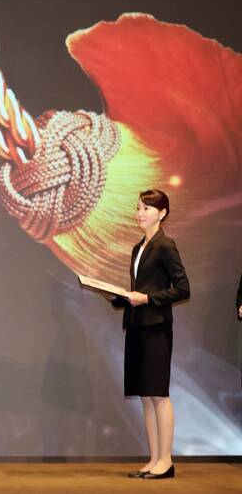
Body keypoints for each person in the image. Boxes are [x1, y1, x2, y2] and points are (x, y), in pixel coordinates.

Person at [110, 189, 189, 480]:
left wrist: (147, 299)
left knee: (158, 395)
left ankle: (166, 461)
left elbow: (183, 288)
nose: (140, 213)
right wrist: (120, 296)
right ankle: (154, 458)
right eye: (138, 208)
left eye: (146, 208)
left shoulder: (165, 245)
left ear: (162, 213)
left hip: (156, 327)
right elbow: (139, 289)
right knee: (146, 396)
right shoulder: (138, 247)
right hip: (137, 326)